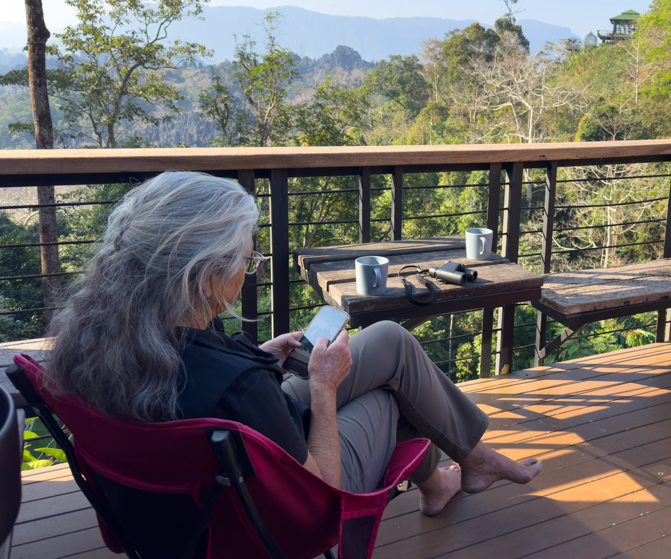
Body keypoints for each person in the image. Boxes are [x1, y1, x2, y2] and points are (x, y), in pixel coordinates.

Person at [46, 171, 541, 516]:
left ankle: (458, 470)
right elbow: (319, 491)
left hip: (211, 474)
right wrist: (323, 388)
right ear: (202, 275)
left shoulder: (104, 336)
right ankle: (452, 475)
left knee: (389, 340)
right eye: (246, 259)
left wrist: (261, 360)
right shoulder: (236, 389)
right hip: (278, 503)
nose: (249, 268)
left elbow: (204, 386)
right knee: (392, 393)